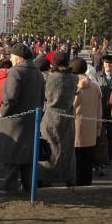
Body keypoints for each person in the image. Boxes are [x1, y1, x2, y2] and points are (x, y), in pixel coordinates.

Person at [0, 44, 44, 194]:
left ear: (19, 57)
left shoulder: (16, 72)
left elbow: (10, 96)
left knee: (12, 152)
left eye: (12, 56)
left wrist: (2, 112)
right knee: (27, 153)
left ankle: (9, 185)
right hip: (31, 119)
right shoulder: (37, 72)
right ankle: (28, 186)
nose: (11, 58)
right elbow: (42, 97)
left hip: (14, 119)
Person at [38, 52, 79, 187]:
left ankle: (46, 177)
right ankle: (68, 177)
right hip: (67, 115)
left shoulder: (48, 78)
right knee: (66, 148)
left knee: (49, 147)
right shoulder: (74, 78)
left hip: (50, 115)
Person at [69, 58, 102, 186]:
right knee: (87, 159)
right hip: (91, 128)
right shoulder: (95, 87)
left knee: (74, 159)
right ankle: (86, 184)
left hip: (73, 127)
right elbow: (99, 110)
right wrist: (98, 128)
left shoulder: (71, 86)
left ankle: (74, 183)